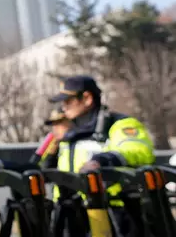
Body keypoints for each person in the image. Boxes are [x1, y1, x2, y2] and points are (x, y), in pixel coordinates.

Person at [48, 75, 155, 237]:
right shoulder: (70, 136)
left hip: (117, 215)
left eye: (68, 101)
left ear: (87, 98)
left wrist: (101, 161)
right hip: (74, 217)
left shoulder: (119, 124)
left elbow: (138, 150)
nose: (64, 107)